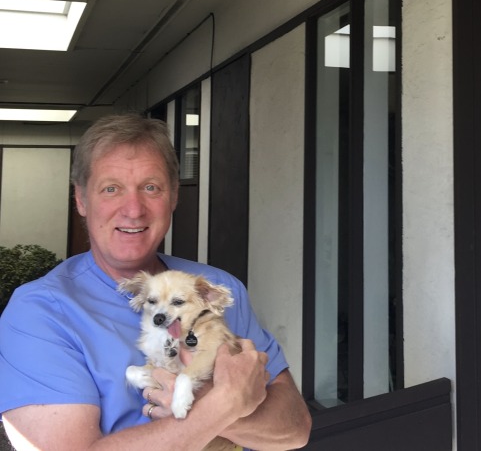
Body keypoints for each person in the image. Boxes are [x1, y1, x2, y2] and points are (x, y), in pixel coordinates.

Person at [0, 114, 312, 450]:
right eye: (111, 188)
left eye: (151, 187)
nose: (133, 209)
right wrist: (225, 403)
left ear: (174, 197)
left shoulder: (216, 288)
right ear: (81, 199)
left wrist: (208, 405)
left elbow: (295, 428)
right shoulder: (41, 311)